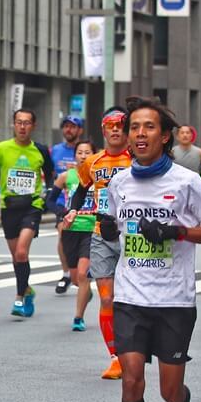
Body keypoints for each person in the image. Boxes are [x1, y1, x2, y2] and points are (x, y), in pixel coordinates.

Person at [99, 95, 201, 402]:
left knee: (169, 390)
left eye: (148, 127)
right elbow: (117, 229)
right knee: (131, 381)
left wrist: (177, 232)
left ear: (165, 136)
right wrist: (107, 231)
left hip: (174, 301)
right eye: (134, 127)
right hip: (131, 297)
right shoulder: (119, 183)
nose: (138, 134)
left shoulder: (187, 183)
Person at [70, 107, 131, 379]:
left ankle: (137, 345)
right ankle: (116, 357)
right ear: (103, 130)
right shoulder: (92, 162)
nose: (116, 129)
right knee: (107, 297)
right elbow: (81, 189)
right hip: (100, 234)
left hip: (133, 235)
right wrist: (72, 209)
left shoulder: (137, 159)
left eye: (120, 125)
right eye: (110, 125)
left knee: (131, 298)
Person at [0, 108, 54, 318]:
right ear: (13, 125)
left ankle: (19, 297)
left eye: (27, 123)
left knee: (22, 252)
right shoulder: (2, 148)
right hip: (9, 208)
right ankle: (28, 290)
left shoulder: (39, 150)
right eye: (19, 122)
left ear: (33, 126)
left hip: (32, 206)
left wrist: (47, 193)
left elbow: (49, 174)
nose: (23, 127)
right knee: (17, 257)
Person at [46, 139, 96, 331]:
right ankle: (86, 293)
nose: (83, 156)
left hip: (91, 229)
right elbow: (49, 201)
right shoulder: (66, 176)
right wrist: (62, 211)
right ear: (74, 155)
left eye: (87, 152)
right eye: (80, 152)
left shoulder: (98, 175)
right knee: (76, 279)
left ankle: (78, 317)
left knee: (83, 275)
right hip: (70, 230)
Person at [51, 116, 85, 292]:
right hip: (63, 203)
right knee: (62, 233)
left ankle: (81, 269)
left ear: (80, 130)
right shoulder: (55, 150)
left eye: (73, 127)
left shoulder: (86, 150)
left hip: (85, 204)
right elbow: (49, 172)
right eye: (65, 127)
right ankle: (65, 273)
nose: (68, 130)